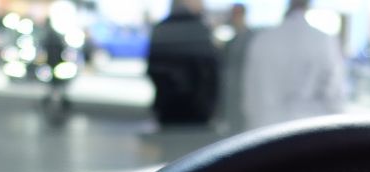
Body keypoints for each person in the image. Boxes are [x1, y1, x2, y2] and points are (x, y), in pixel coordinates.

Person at [242, 0, 345, 129]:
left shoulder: (261, 40)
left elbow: (249, 97)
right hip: (306, 133)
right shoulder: (323, 40)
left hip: (264, 131)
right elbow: (335, 97)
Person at [147, 0, 221, 126]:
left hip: (167, 107)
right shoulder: (199, 28)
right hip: (196, 109)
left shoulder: (161, 28)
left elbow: (153, 69)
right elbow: (210, 73)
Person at [219, 3, 253, 133]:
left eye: (236, 15)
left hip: (245, 94)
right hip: (231, 98)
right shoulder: (230, 43)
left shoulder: (252, 40)